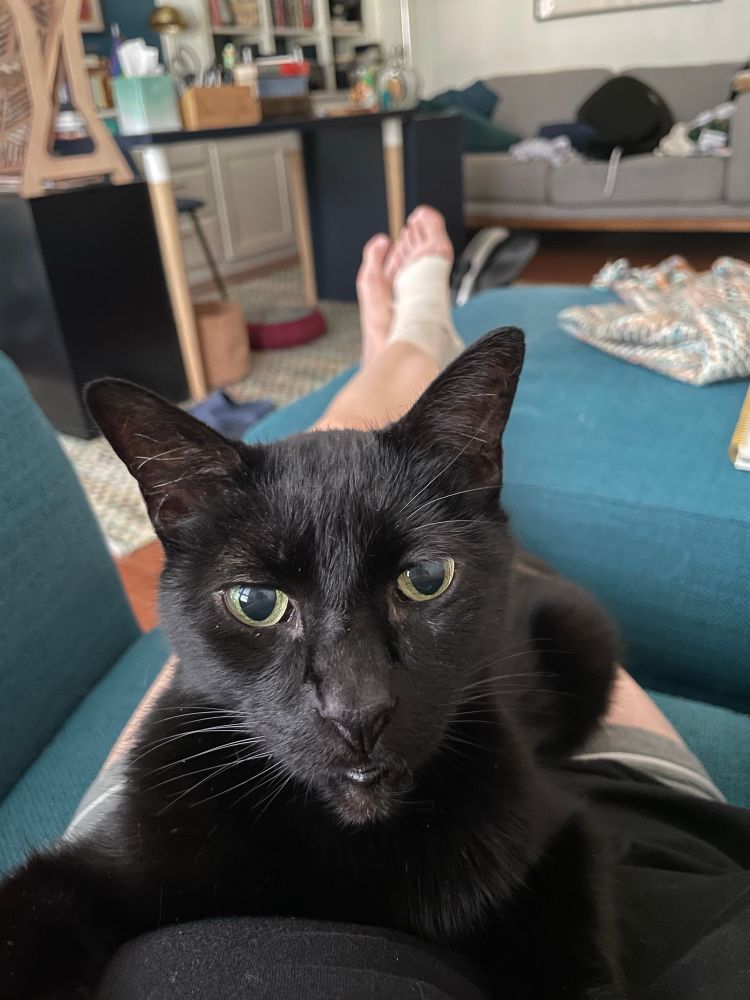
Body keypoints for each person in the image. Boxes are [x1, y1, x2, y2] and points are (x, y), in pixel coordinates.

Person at [96, 209, 750, 999]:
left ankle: (402, 363)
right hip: (678, 848)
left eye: (422, 584)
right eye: (259, 604)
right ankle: (408, 342)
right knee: (349, 499)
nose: (357, 704)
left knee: (443, 542)